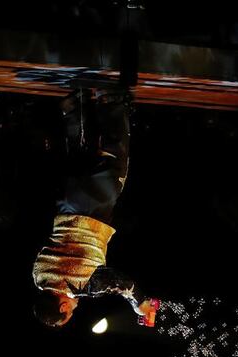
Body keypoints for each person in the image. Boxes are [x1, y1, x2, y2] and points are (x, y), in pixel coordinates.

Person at [32, 87, 155, 327]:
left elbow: (122, 283)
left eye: (70, 313)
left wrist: (139, 303)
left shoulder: (82, 286)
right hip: (65, 205)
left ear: (63, 306)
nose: (75, 308)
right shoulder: (38, 277)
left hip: (94, 208)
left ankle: (112, 101)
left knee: (115, 157)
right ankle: (72, 106)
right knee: (79, 153)